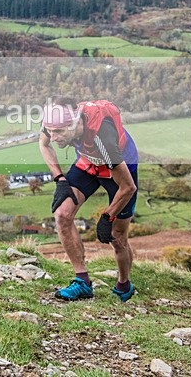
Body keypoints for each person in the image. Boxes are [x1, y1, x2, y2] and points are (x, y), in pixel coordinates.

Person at [39, 97, 139, 302]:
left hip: (120, 171)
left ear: (77, 124)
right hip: (88, 163)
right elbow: (43, 143)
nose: (54, 137)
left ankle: (123, 285)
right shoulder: (55, 119)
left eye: (59, 132)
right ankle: (82, 281)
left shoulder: (103, 137)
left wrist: (108, 217)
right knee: (62, 215)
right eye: (51, 131)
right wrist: (60, 179)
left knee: (117, 235)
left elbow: (128, 187)